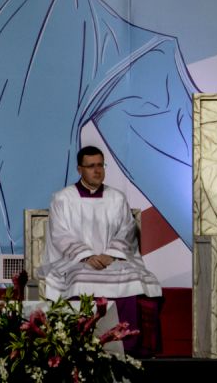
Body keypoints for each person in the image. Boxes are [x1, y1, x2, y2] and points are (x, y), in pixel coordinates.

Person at [38, 145, 162, 356]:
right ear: (79, 169)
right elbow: (60, 234)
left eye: (100, 165)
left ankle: (126, 347)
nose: (97, 171)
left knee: (133, 279)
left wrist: (110, 254)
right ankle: (82, 345)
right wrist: (87, 256)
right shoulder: (63, 199)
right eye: (91, 166)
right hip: (77, 261)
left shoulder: (117, 198)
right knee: (79, 280)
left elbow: (127, 230)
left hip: (112, 260)